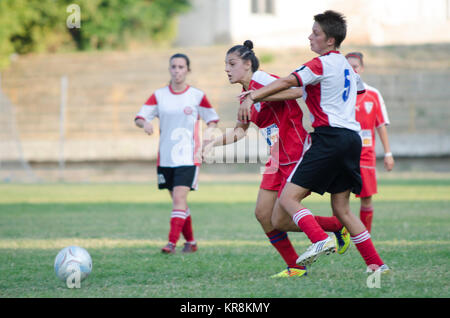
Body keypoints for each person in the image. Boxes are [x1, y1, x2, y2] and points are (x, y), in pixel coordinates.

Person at [238, 11, 390, 273]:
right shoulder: (345, 64)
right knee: (342, 210)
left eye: (316, 33)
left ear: (330, 40)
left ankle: (320, 239)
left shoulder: (320, 64)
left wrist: (254, 96)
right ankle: (376, 265)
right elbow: (360, 90)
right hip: (352, 139)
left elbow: (289, 81)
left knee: (288, 199)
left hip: (329, 137)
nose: (311, 36)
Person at [203, 40, 349, 278]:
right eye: (225, 65)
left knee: (280, 218)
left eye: (232, 64)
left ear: (248, 64)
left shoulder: (262, 80)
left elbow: (297, 91)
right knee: (264, 215)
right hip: (275, 157)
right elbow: (240, 131)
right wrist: (212, 143)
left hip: (294, 148)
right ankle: (304, 258)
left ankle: (325, 236)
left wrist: (259, 97)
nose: (227, 70)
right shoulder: (244, 97)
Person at [135, 53, 219, 254]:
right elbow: (139, 117)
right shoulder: (159, 95)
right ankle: (191, 242)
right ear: (169, 69)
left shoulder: (196, 96)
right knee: (178, 201)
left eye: (181, 67)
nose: (177, 70)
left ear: (187, 70)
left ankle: (171, 243)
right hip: (165, 157)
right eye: (174, 66)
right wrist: (145, 123)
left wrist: (208, 136)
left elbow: (213, 119)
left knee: (180, 197)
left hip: (189, 157)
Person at [345, 52, 395, 233]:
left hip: (365, 155)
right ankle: (344, 234)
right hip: (343, 154)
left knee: (366, 197)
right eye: (348, 67)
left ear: (362, 68)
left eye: (355, 67)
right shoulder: (340, 94)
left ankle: (365, 236)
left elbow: (381, 125)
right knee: (340, 199)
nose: (352, 70)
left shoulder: (373, 94)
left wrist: (388, 153)